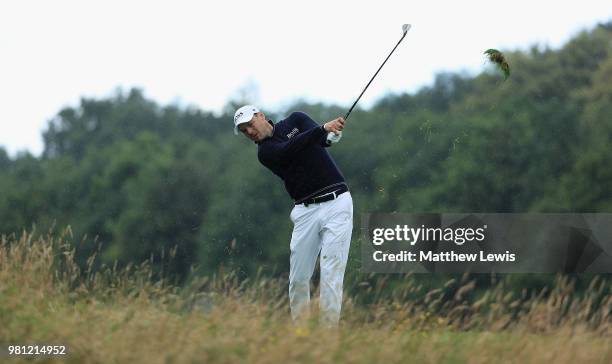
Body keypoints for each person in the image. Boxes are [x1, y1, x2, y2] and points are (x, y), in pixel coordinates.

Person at [233, 105, 353, 326]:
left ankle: (328, 338)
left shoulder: (296, 120)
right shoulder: (265, 152)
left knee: (331, 275)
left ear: (260, 116)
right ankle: (301, 334)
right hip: (305, 212)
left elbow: (323, 139)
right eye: (243, 131)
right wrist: (322, 129)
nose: (249, 132)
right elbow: (290, 149)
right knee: (298, 279)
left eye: (249, 125)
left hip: (338, 204)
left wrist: (333, 133)